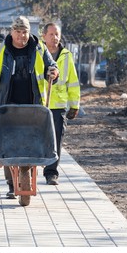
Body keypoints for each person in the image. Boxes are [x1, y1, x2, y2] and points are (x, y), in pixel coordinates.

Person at [0, 16, 59, 198]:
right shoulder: (0, 50)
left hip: (33, 105)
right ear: (11, 32)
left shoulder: (39, 48)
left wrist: (54, 72)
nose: (21, 36)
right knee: (7, 145)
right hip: (7, 104)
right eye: (17, 32)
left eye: (24, 32)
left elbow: (52, 65)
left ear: (28, 32)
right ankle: (11, 184)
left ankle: (29, 175)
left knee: (32, 141)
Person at [41, 22, 80, 185]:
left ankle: (51, 173)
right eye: (51, 34)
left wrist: (74, 105)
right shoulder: (37, 54)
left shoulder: (66, 56)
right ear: (43, 36)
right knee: (37, 138)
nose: (55, 37)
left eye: (57, 34)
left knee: (56, 139)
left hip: (58, 107)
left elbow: (73, 82)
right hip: (40, 105)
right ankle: (29, 167)